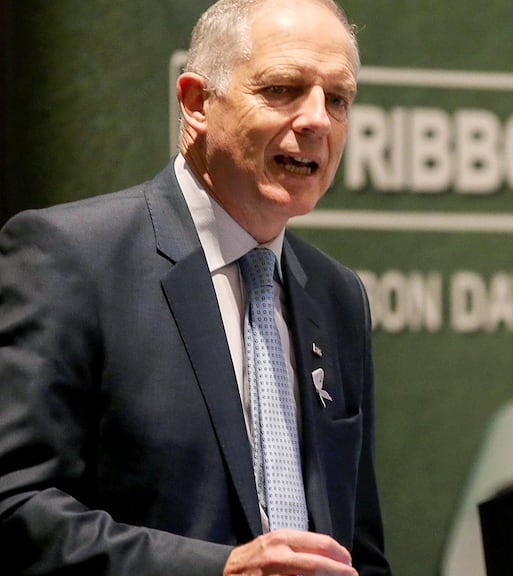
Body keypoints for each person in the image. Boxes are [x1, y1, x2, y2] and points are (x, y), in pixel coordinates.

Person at [0, 0, 391, 574]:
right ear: (195, 102)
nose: (316, 121)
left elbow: (359, 547)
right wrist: (220, 570)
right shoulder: (70, 256)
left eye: (337, 99)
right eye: (283, 89)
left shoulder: (338, 297)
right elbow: (16, 507)